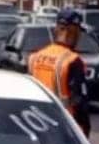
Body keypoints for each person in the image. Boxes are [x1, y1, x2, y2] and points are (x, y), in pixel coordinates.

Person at [28, 7, 91, 136]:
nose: (79, 36)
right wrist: (85, 129)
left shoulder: (35, 57)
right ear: (72, 31)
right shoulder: (72, 61)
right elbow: (78, 102)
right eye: (78, 32)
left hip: (36, 123)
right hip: (64, 127)